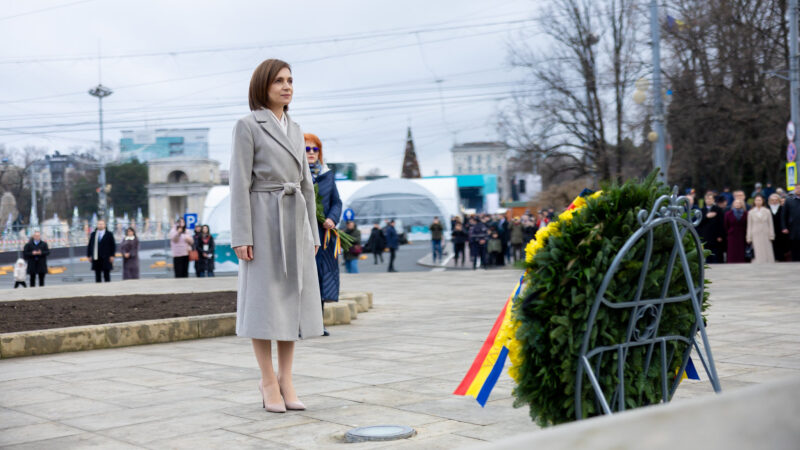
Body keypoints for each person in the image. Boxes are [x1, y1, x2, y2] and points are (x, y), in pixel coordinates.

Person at [230, 59, 322, 413]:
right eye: (279, 81)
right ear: (263, 86)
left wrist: (312, 231)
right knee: (262, 302)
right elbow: (239, 183)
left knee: (290, 301)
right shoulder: (247, 126)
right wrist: (242, 234)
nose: (287, 87)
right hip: (262, 221)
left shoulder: (296, 128)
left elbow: (306, 184)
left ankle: (287, 378)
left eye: (290, 80)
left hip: (295, 221)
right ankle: (267, 380)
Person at [306, 132, 342, 328]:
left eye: (315, 149)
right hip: (302, 234)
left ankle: (317, 324)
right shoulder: (294, 174)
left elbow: (336, 202)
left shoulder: (326, 175)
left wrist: (331, 218)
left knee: (320, 276)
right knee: (303, 278)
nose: (311, 152)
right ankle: (300, 324)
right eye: (307, 149)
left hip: (323, 235)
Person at [697, 191, 725, 263]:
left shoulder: (718, 209)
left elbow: (721, 223)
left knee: (716, 253)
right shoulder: (702, 210)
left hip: (715, 235)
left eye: (710, 199)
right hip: (705, 235)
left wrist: (720, 235)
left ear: (713, 200)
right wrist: (706, 217)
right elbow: (699, 223)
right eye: (707, 199)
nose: (708, 200)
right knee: (707, 253)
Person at [746, 194, 775, 264]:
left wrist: (771, 235)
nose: (758, 202)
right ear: (754, 201)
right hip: (755, 234)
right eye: (757, 200)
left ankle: (768, 263)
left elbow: (770, 224)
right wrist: (749, 237)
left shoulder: (767, 211)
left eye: (760, 200)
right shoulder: (751, 212)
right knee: (757, 250)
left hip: (765, 233)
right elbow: (749, 225)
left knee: (767, 249)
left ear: (762, 201)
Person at [724, 198, 748, 263]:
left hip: (742, 234)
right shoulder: (728, 214)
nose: (737, 204)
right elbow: (726, 225)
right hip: (732, 235)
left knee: (741, 250)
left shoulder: (746, 214)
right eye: (736, 203)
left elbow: (747, 225)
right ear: (733, 204)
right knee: (732, 250)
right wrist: (729, 232)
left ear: (742, 204)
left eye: (739, 203)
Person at [781, 184, 800, 261]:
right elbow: (784, 215)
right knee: (794, 248)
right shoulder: (789, 200)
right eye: (797, 188)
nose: (798, 189)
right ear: (794, 189)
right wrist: (784, 227)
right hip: (793, 228)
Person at [768, 193, 789, 261]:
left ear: (779, 200)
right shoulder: (767, 209)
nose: (774, 201)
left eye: (776, 200)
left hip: (781, 231)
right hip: (770, 230)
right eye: (772, 200)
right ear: (770, 201)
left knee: (781, 246)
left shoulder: (782, 208)